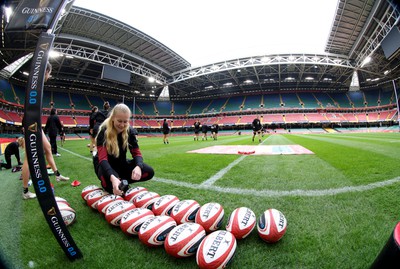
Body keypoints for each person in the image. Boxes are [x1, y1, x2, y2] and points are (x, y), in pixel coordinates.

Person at [21, 62, 70, 200]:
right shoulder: (35, 83)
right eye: (49, 73)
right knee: (29, 158)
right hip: (31, 122)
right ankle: (25, 191)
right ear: (46, 71)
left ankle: (57, 175)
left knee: (48, 148)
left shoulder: (37, 85)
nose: (50, 76)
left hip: (34, 122)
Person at [93, 103, 154, 195]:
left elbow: (137, 153)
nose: (122, 125)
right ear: (113, 118)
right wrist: (112, 177)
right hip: (105, 166)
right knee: (111, 187)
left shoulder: (130, 131)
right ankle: (115, 182)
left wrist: (138, 166)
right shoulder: (104, 131)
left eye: (125, 121)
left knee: (149, 172)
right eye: (119, 121)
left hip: (121, 163)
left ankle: (122, 181)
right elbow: (103, 159)